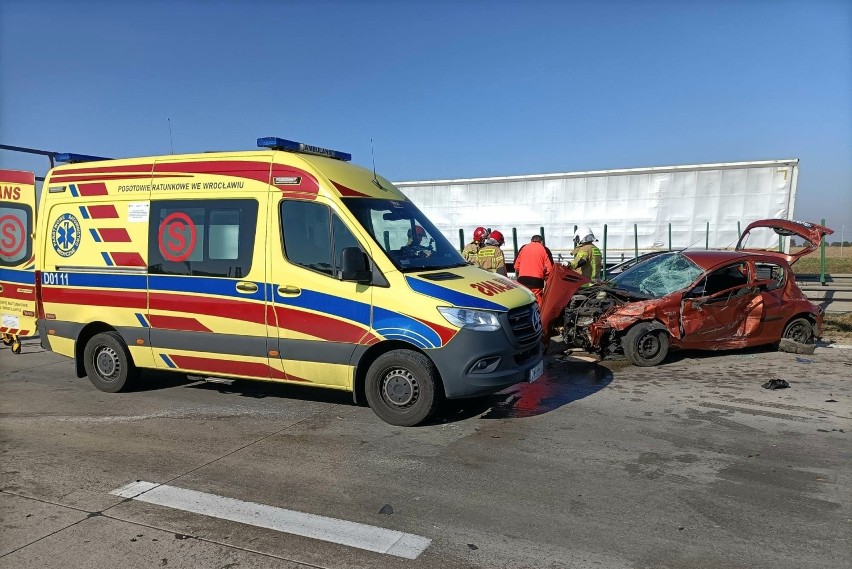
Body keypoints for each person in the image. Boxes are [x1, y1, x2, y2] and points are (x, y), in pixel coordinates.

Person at [514, 235, 553, 306]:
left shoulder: (523, 248)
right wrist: (544, 274)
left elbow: (516, 266)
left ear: (531, 241)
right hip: (536, 281)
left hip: (522, 280)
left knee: (523, 301)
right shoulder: (544, 249)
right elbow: (550, 269)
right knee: (537, 302)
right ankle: (538, 316)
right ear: (541, 242)